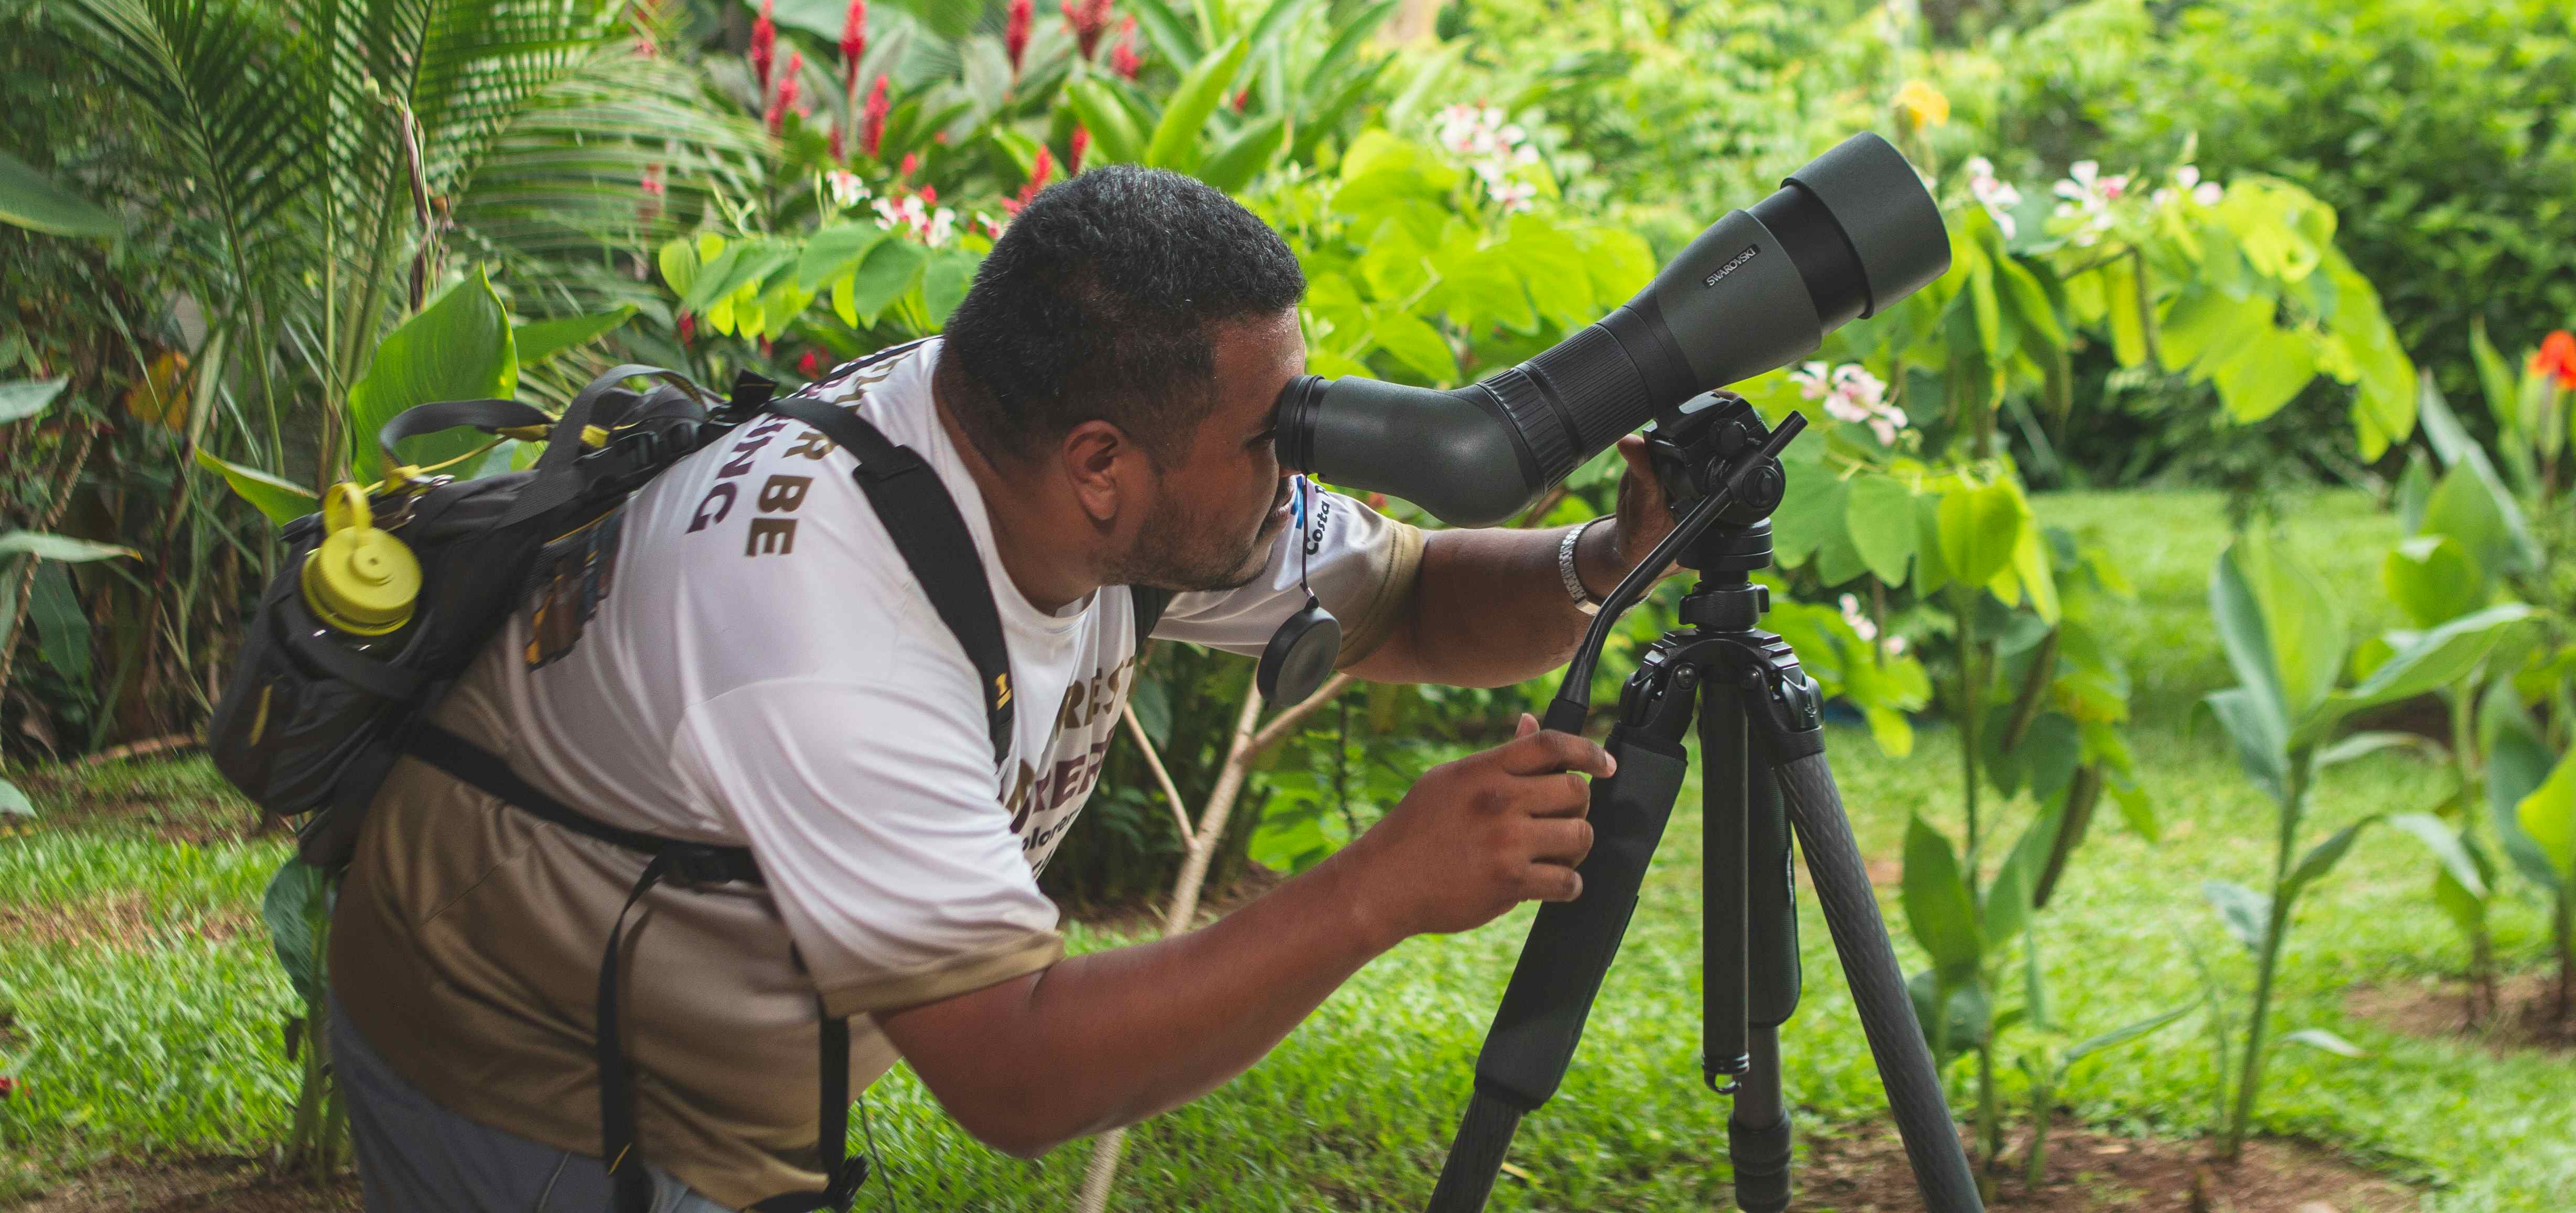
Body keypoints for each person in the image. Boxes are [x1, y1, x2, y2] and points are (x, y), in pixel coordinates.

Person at [328, 165, 1672, 1211]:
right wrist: (1384, 886)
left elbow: (1416, 596)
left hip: (734, 1063)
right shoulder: (829, 629)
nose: (1304, 455)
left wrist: (1610, 555)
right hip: (533, 1063)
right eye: (1278, 431)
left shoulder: (1061, 461)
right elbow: (1019, 1072)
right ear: (1104, 467)